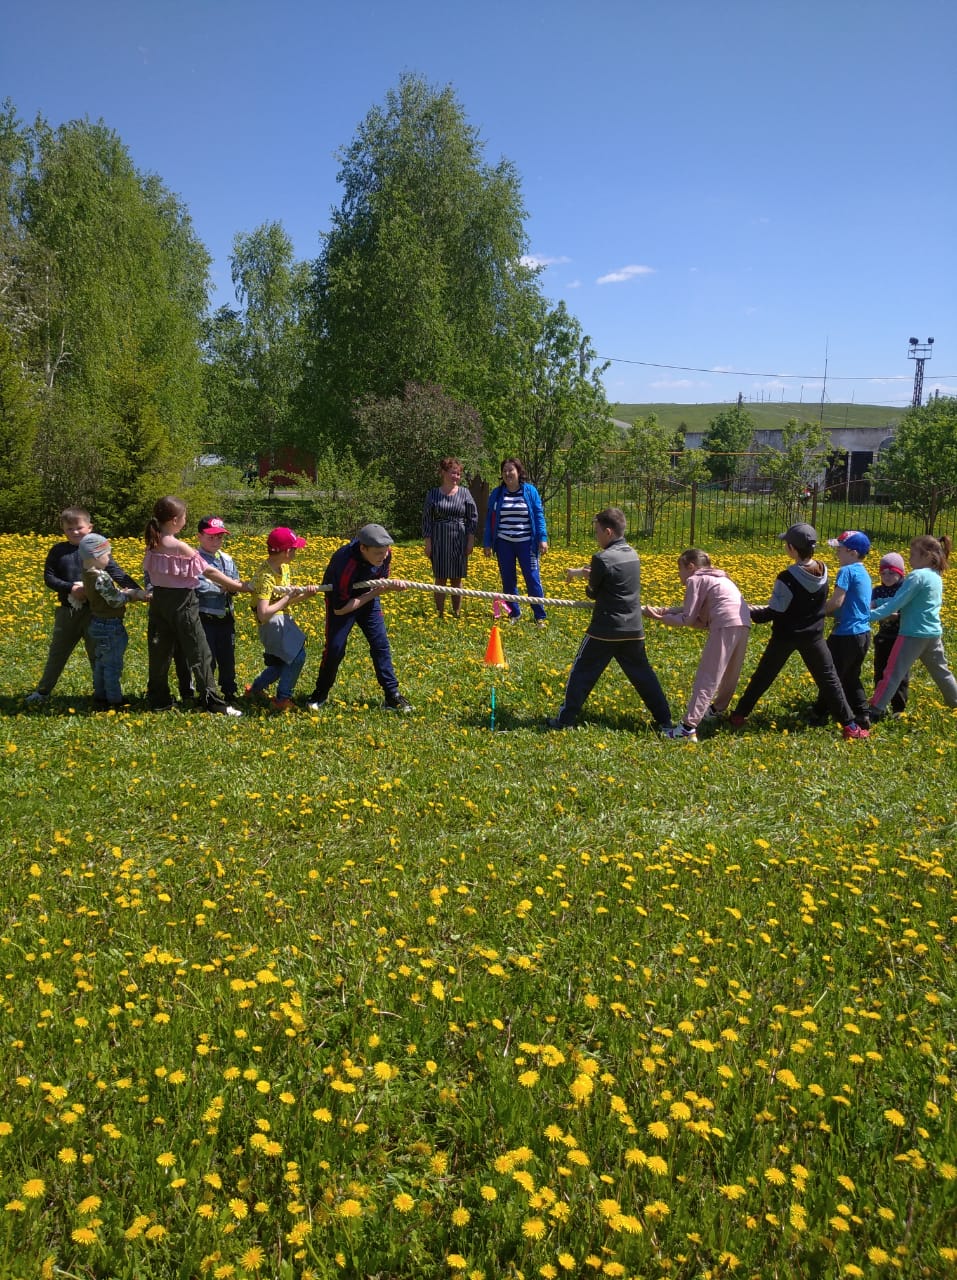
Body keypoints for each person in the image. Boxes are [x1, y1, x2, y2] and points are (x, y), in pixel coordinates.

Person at [729, 523, 869, 740]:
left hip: (785, 637)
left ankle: (739, 716)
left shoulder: (786, 577)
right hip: (814, 637)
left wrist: (746, 613)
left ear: (792, 549)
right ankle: (850, 726)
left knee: (763, 676)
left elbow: (774, 612)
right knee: (830, 681)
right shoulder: (824, 570)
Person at [546, 508, 672, 732]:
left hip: (605, 629)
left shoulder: (601, 559)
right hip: (633, 628)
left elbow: (593, 593)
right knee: (643, 675)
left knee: (581, 672)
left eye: (597, 532)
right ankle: (664, 719)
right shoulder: (633, 554)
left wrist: (590, 577)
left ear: (608, 531)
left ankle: (564, 720)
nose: (596, 537)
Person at [25, 506, 140, 705]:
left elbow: (117, 573)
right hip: (67, 612)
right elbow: (49, 578)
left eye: (79, 527)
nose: (75, 532)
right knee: (58, 653)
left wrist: (138, 591)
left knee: (98, 655)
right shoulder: (58, 551)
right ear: (63, 530)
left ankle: (102, 694)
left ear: (90, 527)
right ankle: (43, 691)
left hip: (96, 614)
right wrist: (71, 588)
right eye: (69, 529)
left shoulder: (96, 551)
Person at [143, 495, 244, 715]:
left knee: (160, 651)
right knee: (200, 652)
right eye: (185, 516)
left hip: (159, 603)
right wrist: (237, 586)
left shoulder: (153, 541)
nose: (186, 520)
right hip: (183, 603)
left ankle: (158, 698)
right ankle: (212, 700)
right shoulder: (178, 545)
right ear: (175, 520)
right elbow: (208, 571)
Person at [642, 547, 751, 741]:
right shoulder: (720, 578)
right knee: (730, 674)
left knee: (707, 675)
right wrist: (668, 614)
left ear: (690, 567)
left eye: (680, 570)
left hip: (725, 624)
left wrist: (660, 617)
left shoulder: (696, 579)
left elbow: (688, 618)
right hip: (743, 622)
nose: (679, 576)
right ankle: (716, 710)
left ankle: (687, 728)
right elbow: (701, 620)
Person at [306, 524, 412, 713]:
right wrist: (377, 591)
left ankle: (392, 695)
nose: (384, 555)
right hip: (342, 602)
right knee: (335, 649)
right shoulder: (345, 564)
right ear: (363, 548)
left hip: (368, 600)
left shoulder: (385, 553)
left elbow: (380, 581)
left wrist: (388, 585)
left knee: (380, 645)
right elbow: (340, 610)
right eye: (378, 552)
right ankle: (320, 693)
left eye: (386, 551)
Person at [869, 534, 957, 720]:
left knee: (892, 672)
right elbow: (908, 601)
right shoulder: (935, 576)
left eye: (912, 554)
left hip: (911, 634)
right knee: (942, 672)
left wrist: (867, 616)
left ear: (927, 556)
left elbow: (896, 603)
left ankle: (875, 709)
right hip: (932, 634)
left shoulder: (916, 576)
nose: (909, 558)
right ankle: (955, 702)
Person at [246, 526, 319, 711]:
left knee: (281, 662)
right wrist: (287, 597)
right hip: (271, 623)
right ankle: (282, 699)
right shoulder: (266, 576)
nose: (297, 551)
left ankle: (255, 689)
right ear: (287, 551)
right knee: (297, 657)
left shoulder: (284, 567)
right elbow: (263, 613)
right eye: (295, 548)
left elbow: (284, 601)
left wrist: (305, 595)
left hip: (280, 618)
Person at [808, 530, 873, 729]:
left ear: (853, 553)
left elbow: (837, 602)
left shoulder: (847, 571)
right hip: (863, 634)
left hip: (845, 634)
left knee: (829, 675)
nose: (837, 554)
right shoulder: (864, 572)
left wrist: (817, 613)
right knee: (851, 676)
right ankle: (862, 714)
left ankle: (819, 713)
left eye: (840, 550)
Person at [78, 532, 150, 709]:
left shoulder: (87, 573)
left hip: (97, 622)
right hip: (110, 625)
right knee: (112, 665)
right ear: (96, 555)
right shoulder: (100, 576)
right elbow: (114, 600)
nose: (109, 559)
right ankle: (114, 700)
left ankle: (100, 696)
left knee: (101, 663)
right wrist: (129, 594)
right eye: (107, 555)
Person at [483, 458, 548, 626]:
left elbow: (539, 515)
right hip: (504, 544)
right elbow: (490, 519)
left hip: (527, 544)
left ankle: (539, 616)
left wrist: (543, 538)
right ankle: (514, 613)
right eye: (504, 470)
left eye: (511, 470)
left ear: (519, 472)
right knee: (508, 580)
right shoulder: (497, 494)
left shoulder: (530, 491)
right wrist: (487, 543)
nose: (507, 474)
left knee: (532, 579)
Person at [195, 516, 248, 704]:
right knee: (206, 656)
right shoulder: (195, 559)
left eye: (220, 537)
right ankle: (207, 692)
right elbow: (198, 587)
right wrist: (223, 587)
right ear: (199, 536)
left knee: (228, 656)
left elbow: (235, 582)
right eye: (211, 537)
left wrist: (230, 587)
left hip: (226, 616)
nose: (216, 541)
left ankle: (230, 690)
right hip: (205, 616)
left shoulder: (227, 559)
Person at [422, 457, 478, 619]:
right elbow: (426, 519)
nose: (456, 477)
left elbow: (473, 518)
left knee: (456, 578)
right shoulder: (433, 494)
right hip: (439, 539)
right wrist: (428, 543)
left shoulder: (465, 493)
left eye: (458, 474)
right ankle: (439, 613)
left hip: (459, 539)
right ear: (443, 473)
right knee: (440, 577)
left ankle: (456, 612)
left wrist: (470, 541)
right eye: (453, 473)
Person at [871, 551, 909, 716]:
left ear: (900, 573)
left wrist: (894, 615)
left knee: (900, 674)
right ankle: (880, 704)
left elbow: (909, 612)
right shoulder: (877, 591)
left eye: (892, 572)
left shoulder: (905, 590)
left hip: (901, 637)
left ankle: (898, 709)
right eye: (883, 572)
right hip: (883, 637)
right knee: (880, 671)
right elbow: (870, 607)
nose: (886, 576)